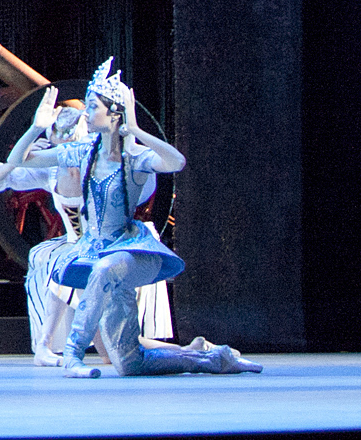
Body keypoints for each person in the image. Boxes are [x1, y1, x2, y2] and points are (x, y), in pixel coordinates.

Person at [13, 58, 257, 378]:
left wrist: (138, 130)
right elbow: (19, 160)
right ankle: (214, 358)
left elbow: (177, 162)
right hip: (95, 252)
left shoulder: (134, 157)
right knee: (129, 362)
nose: (86, 112)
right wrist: (36, 127)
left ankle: (72, 355)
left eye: (93, 106)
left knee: (103, 268)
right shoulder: (82, 153)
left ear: (114, 115)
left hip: (132, 252)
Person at [0, 91, 174, 366]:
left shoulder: (100, 164)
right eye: (60, 141)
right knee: (57, 261)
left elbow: (147, 185)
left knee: (111, 350)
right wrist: (33, 131)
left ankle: (190, 351)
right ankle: (46, 345)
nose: (66, 146)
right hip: (78, 247)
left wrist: (133, 133)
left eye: (71, 139)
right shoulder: (54, 167)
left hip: (108, 247)